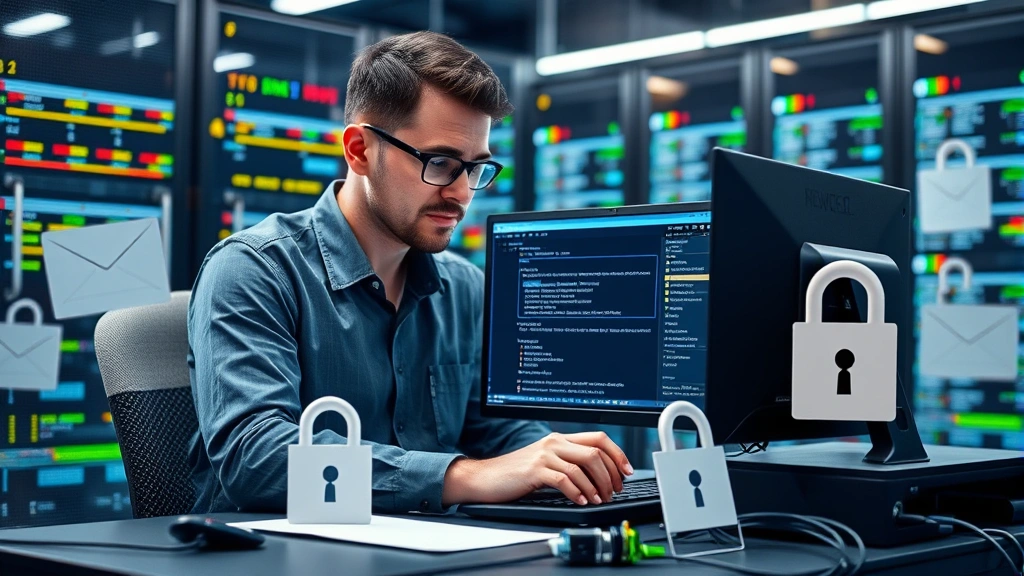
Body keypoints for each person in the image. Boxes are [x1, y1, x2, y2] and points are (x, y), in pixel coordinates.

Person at [187, 31, 634, 515]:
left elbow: (489, 429)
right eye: (440, 163)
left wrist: (561, 462)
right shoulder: (254, 271)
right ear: (359, 150)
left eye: (475, 168)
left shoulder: (465, 287)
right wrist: (466, 476)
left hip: (434, 549)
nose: (462, 193)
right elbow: (258, 459)